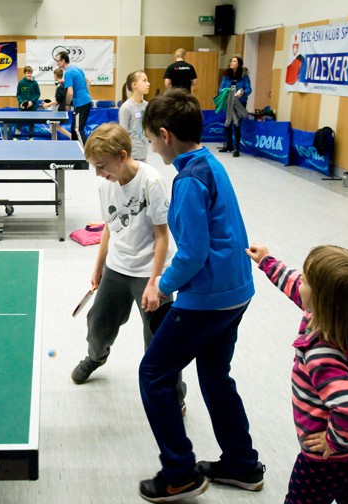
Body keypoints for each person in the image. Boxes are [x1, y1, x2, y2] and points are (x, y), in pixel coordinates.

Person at [137, 88, 262, 503]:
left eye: (152, 140)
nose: (153, 148)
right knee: (213, 374)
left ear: (165, 135)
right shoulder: (210, 161)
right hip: (236, 292)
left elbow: (191, 254)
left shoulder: (188, 180)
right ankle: (243, 465)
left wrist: (161, 285)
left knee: (153, 374)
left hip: (207, 299)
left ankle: (179, 473)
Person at [245, 243, 348, 504]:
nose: (300, 282)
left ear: (323, 301)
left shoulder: (323, 356)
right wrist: (267, 262)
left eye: (307, 280)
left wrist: (333, 441)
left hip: (326, 461)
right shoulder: (341, 321)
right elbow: (296, 287)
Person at [71, 123, 185, 408]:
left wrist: (155, 281)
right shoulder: (105, 185)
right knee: (97, 324)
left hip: (150, 272)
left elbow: (162, 236)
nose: (98, 173)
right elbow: (110, 226)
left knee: (160, 340)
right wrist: (99, 265)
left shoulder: (152, 182)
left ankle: (174, 393)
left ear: (122, 156)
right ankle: (96, 357)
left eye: (101, 165)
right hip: (116, 268)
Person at [54, 50, 93, 144]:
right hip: (85, 101)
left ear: (63, 61)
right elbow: (88, 81)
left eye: (58, 60)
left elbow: (70, 92)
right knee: (73, 128)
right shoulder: (76, 68)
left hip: (81, 103)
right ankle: (75, 152)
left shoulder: (67, 73)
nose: (57, 62)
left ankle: (86, 155)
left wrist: (67, 104)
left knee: (77, 129)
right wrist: (85, 94)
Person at [218, 56, 251, 157]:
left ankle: (237, 147)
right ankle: (229, 145)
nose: (232, 63)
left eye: (234, 61)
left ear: (239, 63)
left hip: (239, 103)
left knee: (237, 124)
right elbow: (221, 88)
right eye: (231, 61)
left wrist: (242, 92)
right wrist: (225, 92)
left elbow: (249, 89)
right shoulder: (226, 75)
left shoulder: (244, 76)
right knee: (227, 124)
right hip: (229, 102)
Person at [118, 70, 151, 162]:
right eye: (144, 81)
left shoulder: (147, 105)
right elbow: (122, 134)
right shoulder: (126, 107)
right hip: (131, 156)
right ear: (134, 85)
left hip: (143, 154)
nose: (148, 83)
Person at [42, 68, 71, 139]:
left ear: (55, 75)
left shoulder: (59, 86)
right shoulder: (64, 84)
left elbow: (58, 100)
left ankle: (70, 136)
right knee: (54, 125)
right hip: (61, 108)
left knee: (53, 125)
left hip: (59, 109)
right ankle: (57, 139)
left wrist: (47, 105)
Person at [15, 65, 40, 138]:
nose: (29, 75)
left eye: (30, 73)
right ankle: (16, 136)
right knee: (19, 122)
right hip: (22, 107)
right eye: (28, 73)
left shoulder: (35, 83)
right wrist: (21, 102)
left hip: (32, 107)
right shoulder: (21, 83)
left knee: (31, 122)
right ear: (25, 73)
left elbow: (38, 94)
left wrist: (31, 102)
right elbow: (18, 94)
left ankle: (30, 137)